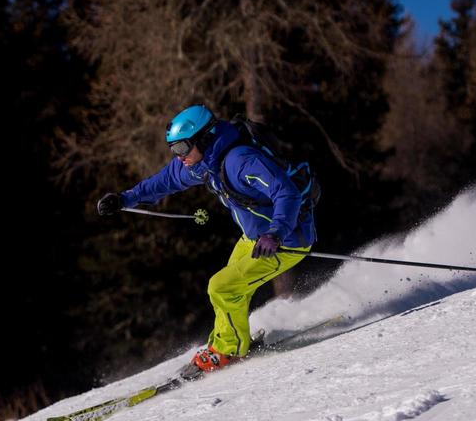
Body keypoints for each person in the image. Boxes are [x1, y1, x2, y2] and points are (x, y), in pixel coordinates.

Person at [96, 104, 316, 374]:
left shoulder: (240, 161)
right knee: (229, 286)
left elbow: (287, 193)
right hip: (254, 238)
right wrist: (124, 198)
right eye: (173, 150)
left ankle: (228, 350)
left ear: (203, 138)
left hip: (285, 240)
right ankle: (228, 341)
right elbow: (164, 181)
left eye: (181, 148)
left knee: (222, 287)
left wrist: (276, 232)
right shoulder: (202, 163)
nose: (178, 157)